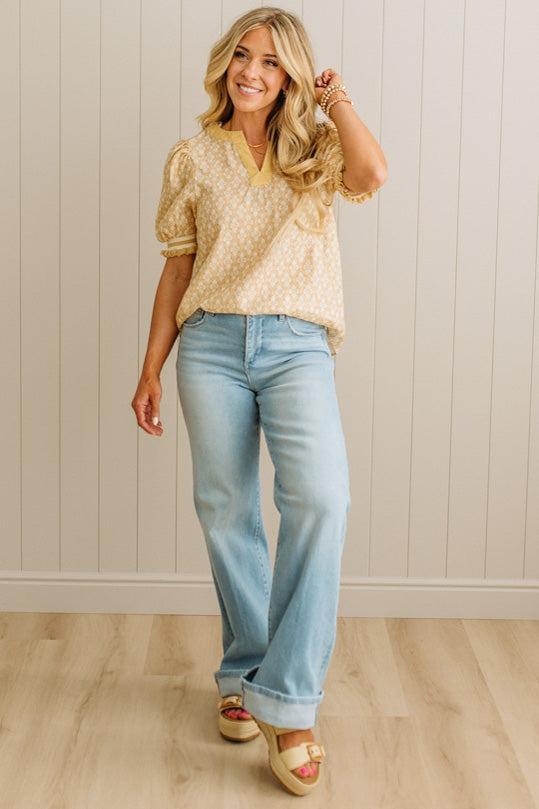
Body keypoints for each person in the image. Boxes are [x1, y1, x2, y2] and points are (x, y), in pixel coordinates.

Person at [131, 6, 387, 797]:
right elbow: (178, 266)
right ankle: (244, 670)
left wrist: (336, 99)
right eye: (242, 55)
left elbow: (371, 175)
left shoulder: (315, 146)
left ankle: (289, 701)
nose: (251, 71)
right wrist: (151, 365)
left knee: (321, 498)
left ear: (291, 75)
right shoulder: (191, 156)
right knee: (226, 509)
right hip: (209, 343)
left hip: (296, 344)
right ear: (225, 62)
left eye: (271, 62)